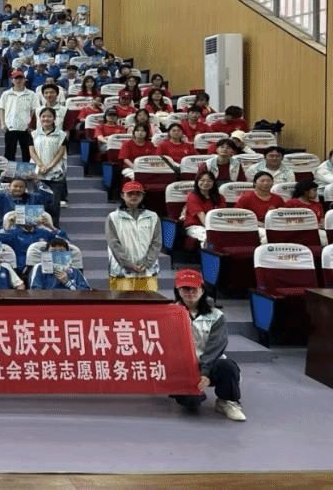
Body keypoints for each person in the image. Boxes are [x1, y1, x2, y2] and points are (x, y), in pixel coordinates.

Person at [170, 269, 246, 421]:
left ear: (202, 290)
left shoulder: (216, 316)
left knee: (227, 367)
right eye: (185, 289)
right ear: (178, 290)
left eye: (194, 288)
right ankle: (188, 392)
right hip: (183, 367)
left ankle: (227, 401)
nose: (190, 293)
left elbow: (215, 348)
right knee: (191, 402)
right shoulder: (169, 314)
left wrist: (205, 372)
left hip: (210, 364)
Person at [105, 181, 162, 291]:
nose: (134, 196)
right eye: (130, 193)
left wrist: (147, 263)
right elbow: (113, 243)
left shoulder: (153, 216)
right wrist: (128, 264)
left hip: (147, 271)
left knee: (148, 301)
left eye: (137, 194)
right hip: (121, 272)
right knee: (122, 302)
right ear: (123, 195)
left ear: (142, 196)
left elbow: (156, 242)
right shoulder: (113, 217)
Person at [0, 70, 37, 162]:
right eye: (16, 78)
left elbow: (34, 110)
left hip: (26, 127)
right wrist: (3, 124)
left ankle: (27, 170)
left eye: (21, 78)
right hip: (10, 126)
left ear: (24, 80)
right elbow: (2, 109)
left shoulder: (31, 94)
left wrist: (31, 124)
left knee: (27, 153)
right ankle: (9, 170)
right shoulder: (6, 94)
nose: (19, 80)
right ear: (12, 80)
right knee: (9, 152)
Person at [183, 171, 226, 244]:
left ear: (213, 183)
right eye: (202, 180)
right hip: (195, 226)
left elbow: (222, 215)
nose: (205, 183)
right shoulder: (192, 196)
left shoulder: (220, 197)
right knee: (208, 237)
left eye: (209, 181)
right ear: (197, 182)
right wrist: (212, 230)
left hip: (215, 225)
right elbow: (201, 216)